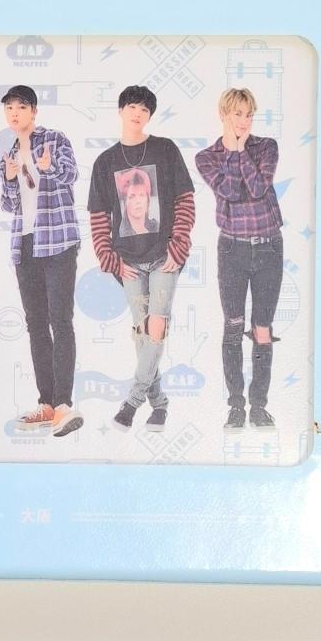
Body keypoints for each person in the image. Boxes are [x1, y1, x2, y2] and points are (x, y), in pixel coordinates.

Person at [88, 85, 195, 433]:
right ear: (120, 111)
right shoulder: (105, 162)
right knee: (141, 333)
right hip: (129, 262)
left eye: (145, 110)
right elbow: (98, 217)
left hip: (164, 257)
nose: (138, 114)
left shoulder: (165, 149)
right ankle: (160, 404)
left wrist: (178, 245)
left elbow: (185, 200)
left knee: (157, 324)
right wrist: (110, 259)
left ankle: (131, 403)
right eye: (132, 107)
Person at [195, 88, 283, 431]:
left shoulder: (266, 147)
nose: (244, 121)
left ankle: (259, 407)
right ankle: (235, 406)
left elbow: (259, 188)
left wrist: (241, 149)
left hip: (269, 248)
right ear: (223, 114)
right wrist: (232, 151)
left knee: (262, 329)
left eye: (248, 115)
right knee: (233, 327)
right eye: (237, 114)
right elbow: (231, 191)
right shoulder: (207, 157)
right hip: (232, 249)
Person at [0, 85, 84, 438]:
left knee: (60, 321)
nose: (15, 113)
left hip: (58, 239)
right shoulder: (8, 153)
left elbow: (72, 175)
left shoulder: (55, 139)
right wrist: (9, 178)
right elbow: (8, 205)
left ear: (33, 111)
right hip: (26, 244)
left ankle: (63, 404)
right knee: (35, 324)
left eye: (21, 107)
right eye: (9, 108)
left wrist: (48, 167)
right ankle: (46, 404)